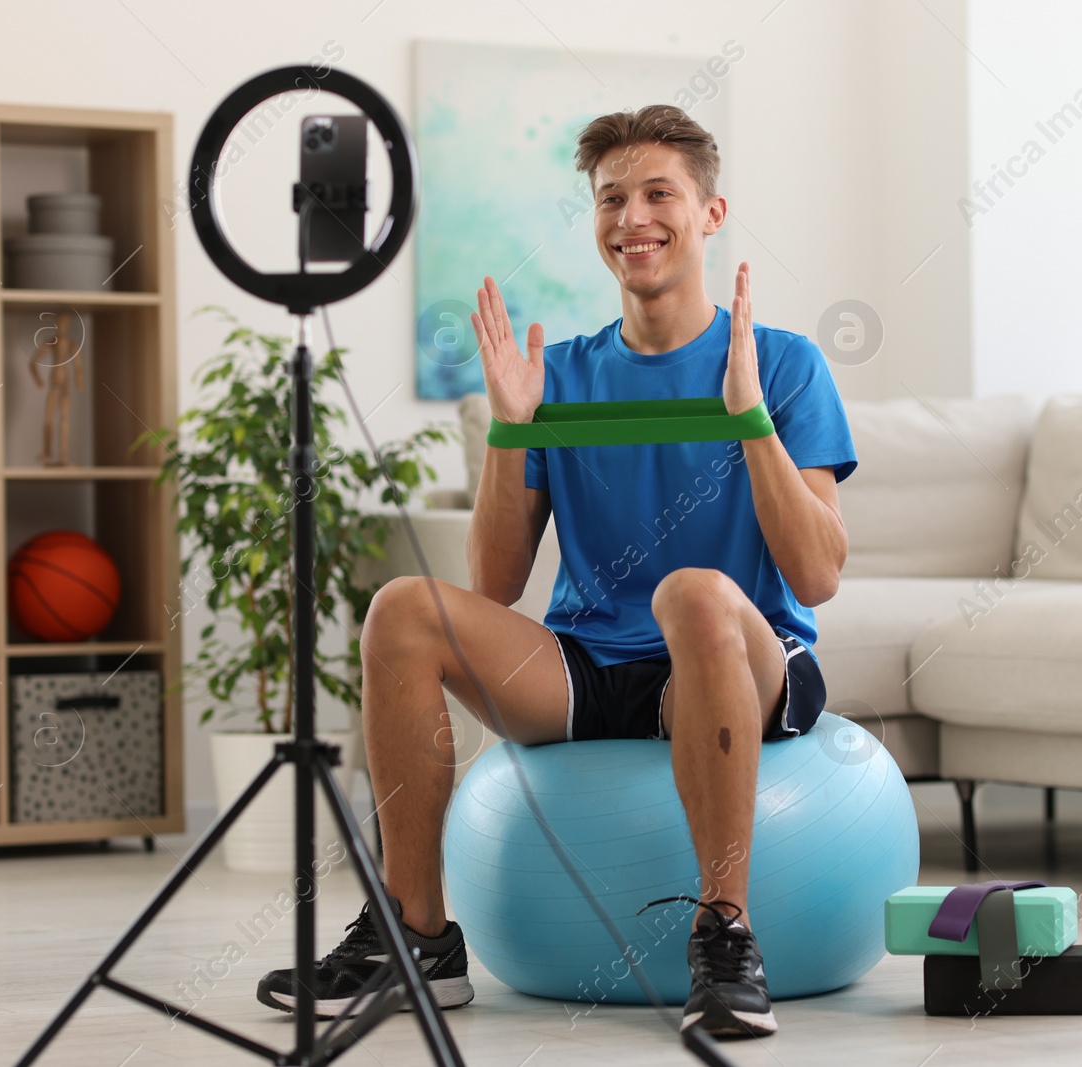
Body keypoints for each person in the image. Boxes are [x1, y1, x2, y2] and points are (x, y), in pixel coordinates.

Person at [258, 103, 857, 1040]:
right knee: (403, 609)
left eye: (659, 193)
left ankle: (725, 933)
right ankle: (416, 937)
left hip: (740, 656)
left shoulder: (780, 363)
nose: (632, 217)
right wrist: (510, 427)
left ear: (710, 212)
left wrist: (749, 418)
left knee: (689, 590)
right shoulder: (562, 374)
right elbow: (494, 581)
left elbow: (817, 574)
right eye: (611, 197)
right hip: (589, 667)